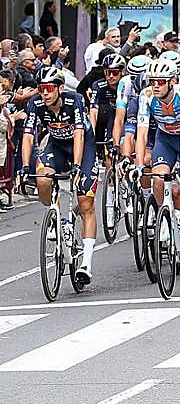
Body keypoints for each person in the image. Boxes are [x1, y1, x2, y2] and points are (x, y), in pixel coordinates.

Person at [136, 57, 180, 282]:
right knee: (157, 179)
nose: (155, 85)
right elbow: (142, 132)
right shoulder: (146, 96)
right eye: (152, 81)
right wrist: (139, 166)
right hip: (165, 139)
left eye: (160, 81)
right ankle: (165, 216)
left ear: (172, 81)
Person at [26, 68, 98, 285]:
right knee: (42, 178)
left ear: (59, 88)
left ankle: (85, 262)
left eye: (49, 89)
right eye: (41, 89)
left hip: (83, 147)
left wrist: (76, 165)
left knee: (85, 204)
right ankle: (54, 216)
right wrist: (23, 168)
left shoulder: (74, 100)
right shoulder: (36, 104)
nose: (44, 93)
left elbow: (78, 134)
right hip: (57, 146)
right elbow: (28, 135)